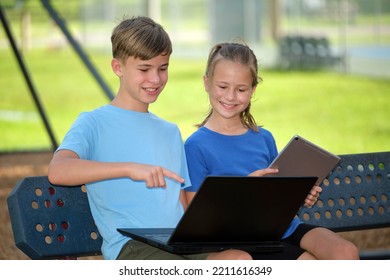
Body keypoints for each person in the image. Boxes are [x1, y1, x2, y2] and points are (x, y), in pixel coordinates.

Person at [47, 16, 252, 261]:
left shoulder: (170, 132)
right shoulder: (93, 123)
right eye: (144, 69)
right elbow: (58, 170)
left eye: (162, 68)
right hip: (132, 248)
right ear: (118, 68)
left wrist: (243, 192)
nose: (155, 79)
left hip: (179, 244)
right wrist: (129, 169)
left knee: (239, 260)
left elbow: (183, 206)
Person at [184, 42, 359, 260]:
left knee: (345, 252)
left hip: (284, 228)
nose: (230, 96)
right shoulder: (195, 146)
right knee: (308, 264)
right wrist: (244, 191)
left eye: (241, 89)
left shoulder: (263, 138)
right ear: (206, 83)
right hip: (240, 238)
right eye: (222, 86)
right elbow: (196, 217)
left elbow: (278, 198)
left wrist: (297, 194)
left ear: (252, 90)